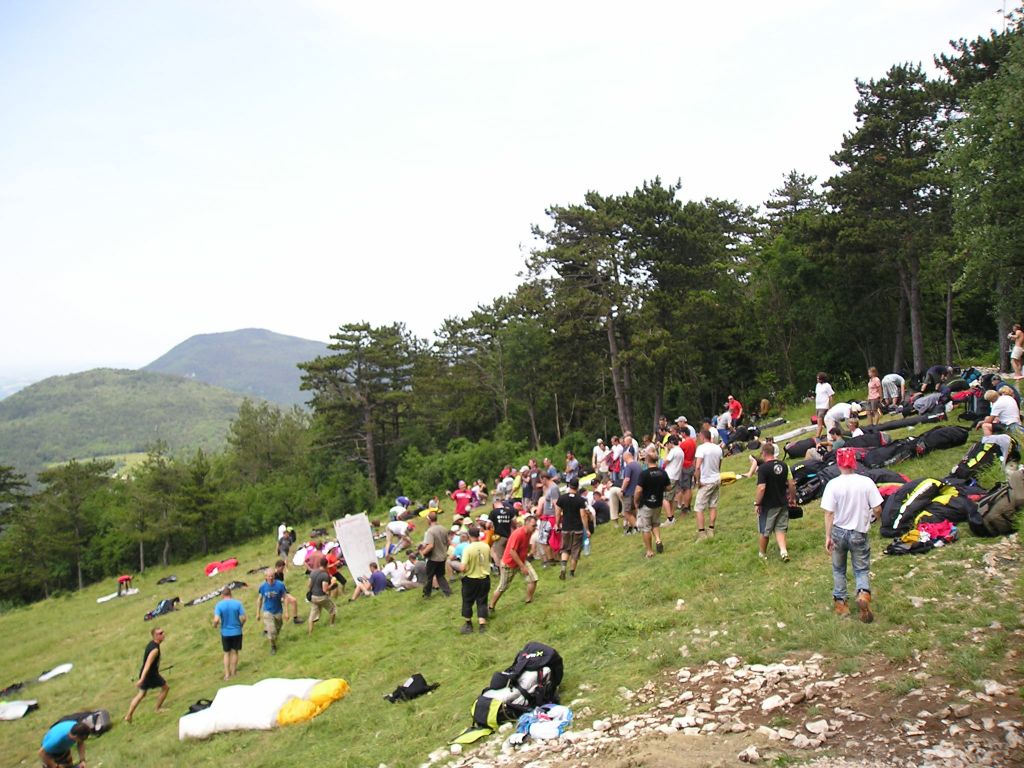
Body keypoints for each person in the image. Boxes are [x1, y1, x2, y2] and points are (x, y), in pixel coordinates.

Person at [821, 447, 883, 623]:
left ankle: (841, 604)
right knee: (861, 568)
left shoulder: (833, 485)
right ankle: (863, 593)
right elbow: (877, 508)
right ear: (854, 462)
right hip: (859, 531)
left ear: (839, 463)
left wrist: (828, 536)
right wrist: (877, 520)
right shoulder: (866, 482)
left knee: (838, 569)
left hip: (838, 532)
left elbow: (829, 513)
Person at [753, 444, 797, 563]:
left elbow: (761, 488)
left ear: (763, 453)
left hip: (768, 505)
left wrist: (757, 503)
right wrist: (792, 498)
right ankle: (783, 551)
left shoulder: (763, 469)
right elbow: (791, 483)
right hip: (783, 503)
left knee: (765, 531)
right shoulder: (784, 465)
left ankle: (762, 554)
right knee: (780, 528)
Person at [489, 515, 538, 611]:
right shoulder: (518, 534)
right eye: (533, 525)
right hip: (509, 564)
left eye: (536, 525)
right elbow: (512, 552)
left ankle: (529, 600)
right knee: (503, 587)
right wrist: (522, 566)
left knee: (533, 579)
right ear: (526, 524)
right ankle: (491, 607)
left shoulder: (529, 532)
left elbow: (525, 545)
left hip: (521, 560)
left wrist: (528, 551)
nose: (535, 527)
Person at [449, 524, 491, 633]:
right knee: (482, 600)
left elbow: (463, 567)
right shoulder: (486, 546)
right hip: (484, 578)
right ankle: (482, 625)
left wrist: (459, 568)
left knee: (467, 601)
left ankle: (468, 624)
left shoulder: (468, 549)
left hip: (471, 579)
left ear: (469, 536)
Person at [124, 627, 169, 722]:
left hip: (148, 674)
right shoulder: (155, 650)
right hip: (150, 675)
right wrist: (142, 679)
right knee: (165, 688)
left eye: (163, 632)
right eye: (160, 633)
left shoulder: (152, 644)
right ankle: (157, 709)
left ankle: (128, 716)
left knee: (141, 694)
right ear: (155, 636)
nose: (163, 634)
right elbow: (147, 665)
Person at [633, 445, 670, 558]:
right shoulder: (662, 472)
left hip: (646, 503)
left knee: (646, 528)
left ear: (647, 460)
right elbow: (668, 487)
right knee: (655, 523)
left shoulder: (644, 474)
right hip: (658, 502)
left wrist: (636, 501)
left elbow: (638, 490)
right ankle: (658, 540)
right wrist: (659, 488)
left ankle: (649, 551)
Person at [555, 478, 591, 579]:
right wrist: (587, 529)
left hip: (566, 528)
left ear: (569, 486)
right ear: (577, 486)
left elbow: (557, 513)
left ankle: (563, 568)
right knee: (575, 550)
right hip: (577, 528)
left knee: (565, 549)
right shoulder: (580, 500)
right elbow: (583, 515)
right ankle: (571, 573)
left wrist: (557, 524)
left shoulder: (562, 498)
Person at [693, 429, 724, 539]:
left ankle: (702, 533)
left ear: (702, 437)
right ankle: (711, 529)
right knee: (713, 505)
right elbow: (720, 463)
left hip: (706, 481)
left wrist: (698, 481)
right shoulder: (718, 448)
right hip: (716, 479)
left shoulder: (701, 448)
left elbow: (697, 467)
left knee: (699, 507)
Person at [212, 586, 246, 680]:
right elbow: (243, 618)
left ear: (222, 595)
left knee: (226, 653)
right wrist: (241, 625)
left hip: (225, 633)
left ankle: (227, 674)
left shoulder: (219, 605)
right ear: (231, 594)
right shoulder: (237, 603)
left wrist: (215, 625)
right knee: (235, 652)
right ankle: (234, 672)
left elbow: (216, 619)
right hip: (237, 631)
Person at [418, 511, 452, 598]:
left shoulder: (430, 531)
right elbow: (448, 542)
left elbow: (430, 545)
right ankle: (447, 592)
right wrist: (445, 550)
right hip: (442, 556)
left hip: (433, 558)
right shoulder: (443, 528)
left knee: (429, 577)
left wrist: (423, 553)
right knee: (440, 575)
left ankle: (426, 594)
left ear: (429, 520)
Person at [256, 567, 288, 655]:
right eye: (269, 576)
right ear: (265, 577)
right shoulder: (263, 587)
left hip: (278, 611)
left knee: (278, 628)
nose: (270, 578)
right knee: (271, 630)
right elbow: (260, 599)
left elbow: (285, 597)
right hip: (267, 611)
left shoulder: (280, 585)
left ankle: (273, 638)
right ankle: (273, 646)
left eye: (272, 576)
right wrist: (258, 613)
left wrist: (286, 612)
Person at [306, 556, 337, 635]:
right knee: (333, 609)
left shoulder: (313, 572)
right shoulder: (324, 575)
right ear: (327, 565)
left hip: (313, 597)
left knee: (312, 616)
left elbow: (309, 585)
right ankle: (332, 625)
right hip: (321, 597)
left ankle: (310, 633)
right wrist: (333, 583)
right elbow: (325, 589)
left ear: (320, 564)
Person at [661, 435, 684, 525]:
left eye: (668, 444)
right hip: (676, 476)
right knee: (671, 498)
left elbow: (665, 462)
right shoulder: (680, 451)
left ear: (671, 442)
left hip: (670, 476)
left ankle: (670, 519)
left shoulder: (673, 451)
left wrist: (666, 451)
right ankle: (671, 516)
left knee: (664, 498)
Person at [619, 447, 642, 534]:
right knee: (634, 510)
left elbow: (627, 479)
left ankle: (637, 527)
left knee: (627, 512)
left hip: (629, 492)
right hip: (638, 490)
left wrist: (622, 490)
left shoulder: (628, 467)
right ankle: (633, 526)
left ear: (625, 458)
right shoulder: (638, 465)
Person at [814, 372, 835, 439]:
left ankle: (817, 436)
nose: (817, 379)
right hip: (818, 406)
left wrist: (831, 407)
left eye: (818, 378)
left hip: (824, 406)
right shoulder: (817, 385)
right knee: (824, 422)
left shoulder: (827, 386)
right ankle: (832, 432)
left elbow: (830, 396)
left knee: (819, 423)